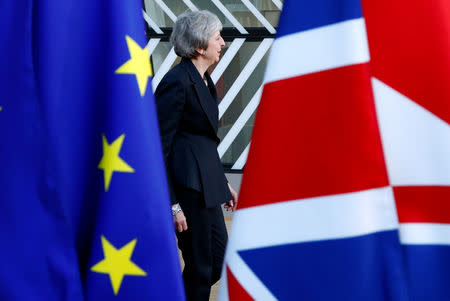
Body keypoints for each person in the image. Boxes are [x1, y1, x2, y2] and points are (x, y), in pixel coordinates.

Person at [154, 10, 239, 301]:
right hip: (188, 191)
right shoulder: (177, 82)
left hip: (207, 186)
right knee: (201, 267)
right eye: (217, 37)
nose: (223, 43)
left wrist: (222, 182)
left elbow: (203, 140)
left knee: (216, 261)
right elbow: (159, 148)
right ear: (200, 46)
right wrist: (172, 204)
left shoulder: (204, 80)